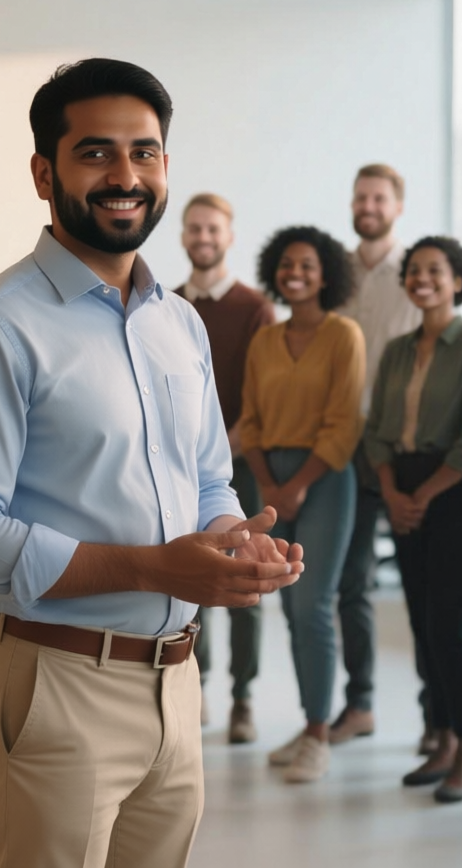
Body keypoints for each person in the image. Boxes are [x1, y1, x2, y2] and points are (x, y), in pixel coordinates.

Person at [0, 58, 304, 868]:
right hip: (54, 683)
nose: (124, 175)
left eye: (146, 153)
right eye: (95, 153)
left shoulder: (178, 324)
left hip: (175, 684)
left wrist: (235, 541)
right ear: (43, 172)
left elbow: (205, 478)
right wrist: (158, 569)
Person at [364, 236, 462, 802]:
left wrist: (427, 492)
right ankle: (436, 734)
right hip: (404, 485)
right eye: (414, 271)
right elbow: (378, 430)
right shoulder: (395, 349)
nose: (423, 279)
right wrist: (394, 490)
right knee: (420, 622)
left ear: (457, 280)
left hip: (456, 490)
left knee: (451, 626)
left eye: (435, 271)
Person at [241, 225, 364, 783]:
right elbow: (252, 420)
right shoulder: (266, 339)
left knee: (313, 602)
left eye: (308, 265)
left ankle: (320, 734)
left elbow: (344, 423)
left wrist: (298, 483)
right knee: (288, 608)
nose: (296, 272)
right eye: (287, 263)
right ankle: (308, 720)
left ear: (326, 274)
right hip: (271, 477)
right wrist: (269, 482)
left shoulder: (344, 335)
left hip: (326, 477)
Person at [174, 192, 275, 743]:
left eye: (213, 229)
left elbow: (258, 397)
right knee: (193, 579)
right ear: (184, 236)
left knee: (246, 583)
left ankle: (243, 697)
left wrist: (220, 453)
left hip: (238, 466)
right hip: (180, 472)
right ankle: (198, 684)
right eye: (194, 228)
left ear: (229, 236)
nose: (203, 237)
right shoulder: (164, 303)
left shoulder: (254, 308)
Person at [332, 163, 423, 747]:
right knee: (350, 582)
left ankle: (437, 715)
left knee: (421, 586)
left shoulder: (416, 272)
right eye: (361, 196)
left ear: (397, 206)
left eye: (379, 197)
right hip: (344, 448)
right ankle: (359, 702)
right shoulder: (334, 272)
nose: (368, 205)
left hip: (404, 447)